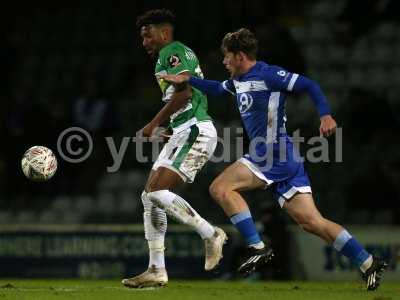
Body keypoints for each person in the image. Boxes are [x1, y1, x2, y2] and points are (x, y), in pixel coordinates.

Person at [160, 28, 387, 291]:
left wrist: (325, 115)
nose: (223, 62)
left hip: (272, 151)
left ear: (240, 56)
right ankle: (368, 262)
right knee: (312, 222)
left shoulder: (268, 74)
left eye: (227, 57)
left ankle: (257, 246)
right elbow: (217, 89)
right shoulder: (238, 81)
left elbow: (308, 84)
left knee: (220, 188)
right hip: (281, 157)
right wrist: (187, 79)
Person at [122, 9, 227, 288]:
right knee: (148, 196)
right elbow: (188, 97)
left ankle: (210, 233)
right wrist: (169, 129)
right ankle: (156, 268)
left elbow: (185, 93)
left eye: (148, 35)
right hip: (185, 129)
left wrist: (152, 123)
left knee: (156, 191)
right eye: (141, 37)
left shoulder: (172, 51)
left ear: (164, 32)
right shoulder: (171, 54)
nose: (144, 41)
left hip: (195, 129)